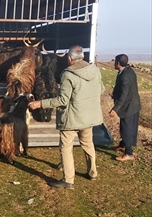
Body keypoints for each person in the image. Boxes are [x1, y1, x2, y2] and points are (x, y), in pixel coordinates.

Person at [29, 45, 104, 189]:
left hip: (72, 118)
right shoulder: (95, 70)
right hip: (90, 117)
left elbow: (62, 100)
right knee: (88, 144)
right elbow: (101, 89)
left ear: (70, 58)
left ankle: (68, 180)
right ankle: (92, 172)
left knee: (66, 147)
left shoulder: (68, 75)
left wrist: (40, 103)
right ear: (82, 57)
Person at [109, 54, 141, 162]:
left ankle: (129, 153)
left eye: (115, 61)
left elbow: (124, 95)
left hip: (129, 106)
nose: (114, 63)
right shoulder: (127, 71)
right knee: (125, 127)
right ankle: (123, 145)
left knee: (128, 129)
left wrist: (115, 109)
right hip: (131, 104)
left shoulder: (125, 76)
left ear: (118, 63)